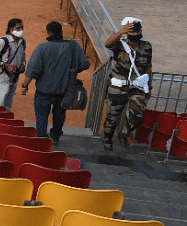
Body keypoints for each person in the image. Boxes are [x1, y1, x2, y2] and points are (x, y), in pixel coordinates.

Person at [22, 20, 90, 144]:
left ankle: (41, 140)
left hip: (43, 91)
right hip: (64, 91)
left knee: (42, 116)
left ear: (48, 33)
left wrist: (25, 85)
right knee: (59, 114)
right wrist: (72, 71)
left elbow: (32, 70)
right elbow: (85, 64)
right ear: (61, 32)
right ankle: (55, 137)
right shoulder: (74, 46)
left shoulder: (42, 48)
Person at [101, 17, 152, 151]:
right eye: (131, 33)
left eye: (136, 32)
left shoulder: (147, 47)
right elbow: (107, 44)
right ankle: (107, 138)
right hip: (118, 87)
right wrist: (121, 32)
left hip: (137, 87)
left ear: (140, 31)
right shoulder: (120, 44)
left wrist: (148, 88)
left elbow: (148, 68)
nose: (135, 35)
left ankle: (123, 134)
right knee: (113, 117)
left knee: (136, 117)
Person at [0, 19, 28, 108]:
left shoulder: (22, 42)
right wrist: (4, 65)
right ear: (11, 29)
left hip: (14, 78)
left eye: (22, 28)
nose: (20, 30)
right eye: (18, 28)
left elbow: (23, 55)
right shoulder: (3, 42)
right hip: (2, 78)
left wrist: (23, 64)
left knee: (8, 106)